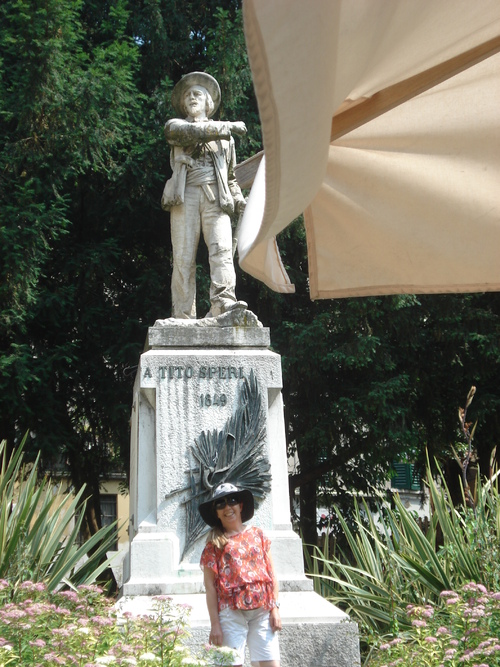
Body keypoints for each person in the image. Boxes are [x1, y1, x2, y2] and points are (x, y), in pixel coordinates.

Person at [162, 72, 248, 319]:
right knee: (183, 256)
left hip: (215, 198)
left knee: (221, 250)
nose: (191, 98)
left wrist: (239, 199)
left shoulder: (225, 141)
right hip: (185, 195)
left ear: (208, 103)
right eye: (187, 95)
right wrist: (228, 127)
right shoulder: (177, 127)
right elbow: (186, 131)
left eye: (197, 94)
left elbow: (230, 177)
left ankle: (223, 304)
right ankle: (182, 314)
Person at [198, 483, 281, 667]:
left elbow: (271, 574)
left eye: (232, 501)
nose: (227, 507)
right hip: (231, 614)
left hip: (262, 612)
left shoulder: (258, 535)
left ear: (240, 505)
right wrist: (215, 625)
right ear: (217, 513)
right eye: (221, 503)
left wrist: (275, 608)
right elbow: (210, 588)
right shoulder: (214, 544)